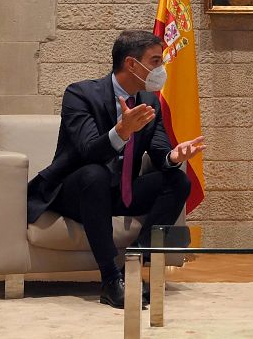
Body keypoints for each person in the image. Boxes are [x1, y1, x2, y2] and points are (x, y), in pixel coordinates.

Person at [26, 30, 206, 309]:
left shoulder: (150, 101)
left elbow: (159, 150)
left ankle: (133, 261)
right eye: (156, 61)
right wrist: (121, 132)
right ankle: (110, 279)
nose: (161, 69)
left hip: (118, 192)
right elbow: (88, 152)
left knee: (178, 181)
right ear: (132, 64)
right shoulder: (80, 94)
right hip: (75, 192)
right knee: (94, 174)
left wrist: (173, 155)